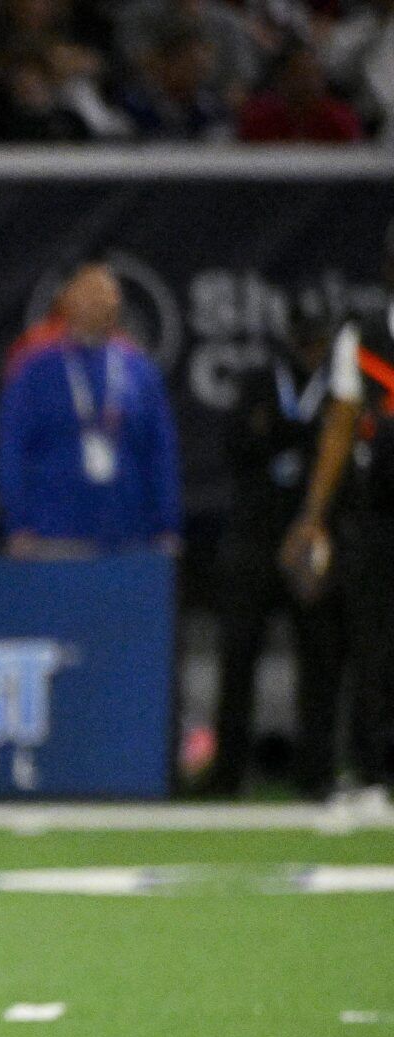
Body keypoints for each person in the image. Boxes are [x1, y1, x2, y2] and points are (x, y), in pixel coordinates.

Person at [205, 290, 344, 798]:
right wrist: (296, 437)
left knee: (320, 658)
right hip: (254, 536)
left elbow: (332, 452)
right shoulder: (260, 380)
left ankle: (317, 772)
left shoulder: (334, 387)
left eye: (318, 339)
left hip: (308, 536)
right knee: (238, 655)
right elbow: (237, 444)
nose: (310, 348)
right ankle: (226, 774)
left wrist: (282, 435)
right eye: (304, 337)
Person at [281, 221, 394, 814]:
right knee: (374, 646)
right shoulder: (363, 339)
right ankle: (376, 773)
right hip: (377, 513)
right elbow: (340, 429)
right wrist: (313, 515)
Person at [0, 261, 182, 557]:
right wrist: (18, 523)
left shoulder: (139, 370)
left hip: (130, 531)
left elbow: (160, 450)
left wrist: (167, 522)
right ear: (66, 302)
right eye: (90, 294)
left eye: (108, 296)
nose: (101, 302)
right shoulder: (34, 370)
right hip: (53, 532)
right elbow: (12, 448)